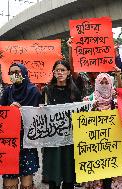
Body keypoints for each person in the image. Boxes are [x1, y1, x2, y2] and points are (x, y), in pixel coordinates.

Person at [85, 72, 122, 189]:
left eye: (107, 82)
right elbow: (82, 122)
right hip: (97, 146)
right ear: (96, 84)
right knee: (100, 174)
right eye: (102, 82)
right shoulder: (88, 100)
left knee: (113, 175)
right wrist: (91, 108)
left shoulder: (116, 100)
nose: (104, 85)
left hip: (114, 144)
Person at [1, 63, 41, 189]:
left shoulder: (34, 91)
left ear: (24, 73)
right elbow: (1, 112)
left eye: (17, 72)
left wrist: (22, 110)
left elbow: (38, 114)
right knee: (9, 182)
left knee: (26, 183)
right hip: (9, 142)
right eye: (11, 73)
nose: (14, 75)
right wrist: (10, 109)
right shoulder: (8, 91)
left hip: (27, 141)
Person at [42, 60, 81, 189]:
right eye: (57, 70)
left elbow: (80, 113)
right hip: (53, 140)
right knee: (54, 174)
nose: (60, 72)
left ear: (69, 72)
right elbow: (40, 112)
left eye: (63, 70)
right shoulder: (47, 91)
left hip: (70, 140)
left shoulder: (75, 92)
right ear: (53, 72)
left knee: (69, 173)